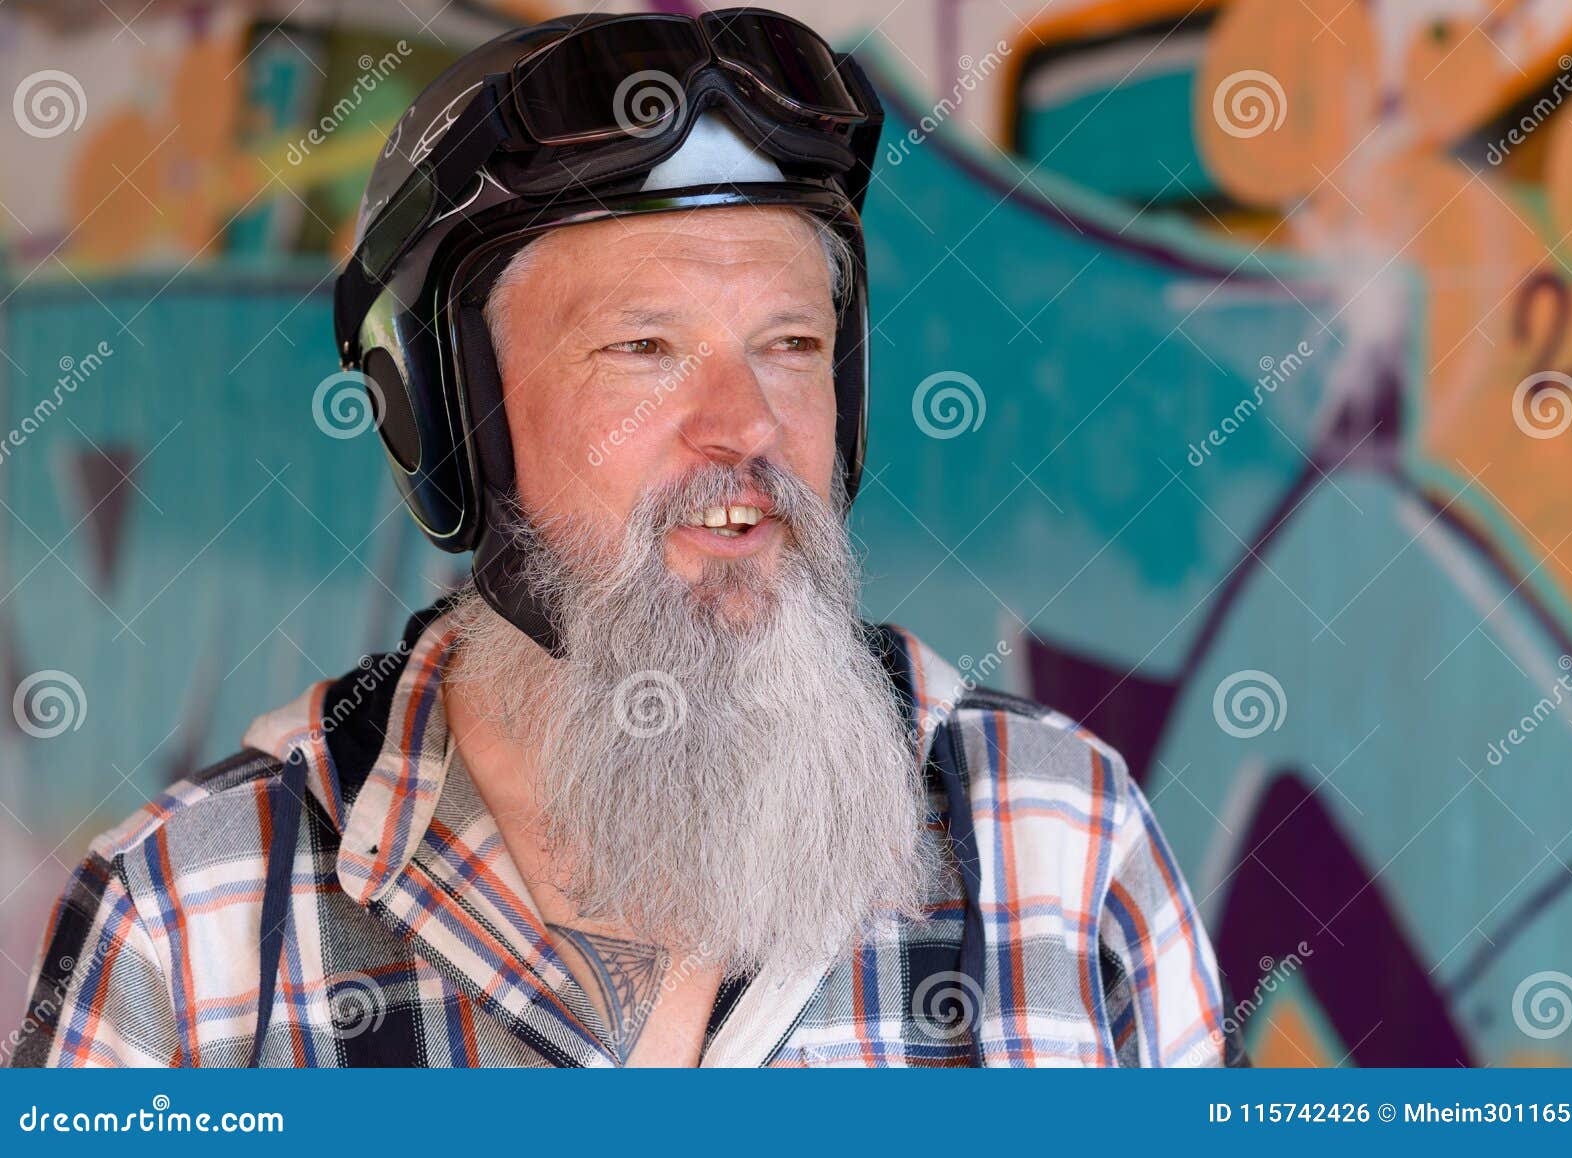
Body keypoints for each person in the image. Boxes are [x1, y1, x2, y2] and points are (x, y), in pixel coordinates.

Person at [12, 8, 1241, 1068]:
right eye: (642, 349)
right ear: (442, 422)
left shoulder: (1062, 843)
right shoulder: (191, 923)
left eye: (790, 345)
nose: (745, 424)